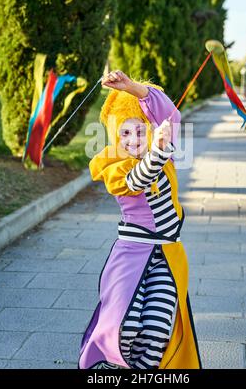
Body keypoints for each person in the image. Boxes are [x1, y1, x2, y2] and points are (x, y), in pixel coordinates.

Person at [78, 70, 202, 369]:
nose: (133, 139)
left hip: (168, 257)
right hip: (131, 256)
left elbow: (169, 115)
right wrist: (158, 151)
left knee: (158, 330)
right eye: (125, 132)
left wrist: (133, 88)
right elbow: (137, 180)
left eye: (140, 130)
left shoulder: (165, 153)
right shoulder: (112, 166)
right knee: (126, 327)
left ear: (152, 130)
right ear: (115, 136)